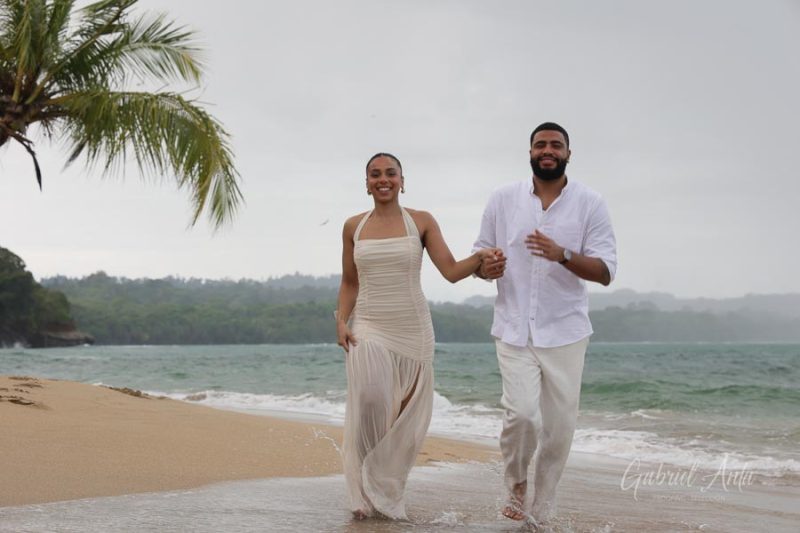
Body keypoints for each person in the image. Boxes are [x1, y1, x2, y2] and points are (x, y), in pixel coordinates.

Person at [336, 153, 502, 520]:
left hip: (413, 329)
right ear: (366, 183)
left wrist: (480, 260)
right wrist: (341, 320)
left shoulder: (422, 222)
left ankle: (384, 487)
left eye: (390, 173)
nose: (383, 179)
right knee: (372, 400)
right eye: (375, 174)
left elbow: (452, 271)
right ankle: (363, 490)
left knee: (401, 416)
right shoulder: (353, 226)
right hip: (368, 324)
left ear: (402, 180)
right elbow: (350, 282)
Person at [473, 122, 617, 523]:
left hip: (566, 332)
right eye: (540, 144)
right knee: (521, 414)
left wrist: (562, 254)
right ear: (531, 152)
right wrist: (488, 267)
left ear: (569, 153)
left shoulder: (591, 202)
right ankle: (516, 485)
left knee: (558, 430)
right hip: (514, 325)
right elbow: (479, 258)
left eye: (556, 145)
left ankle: (543, 506)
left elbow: (606, 271)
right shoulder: (503, 199)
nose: (547, 150)